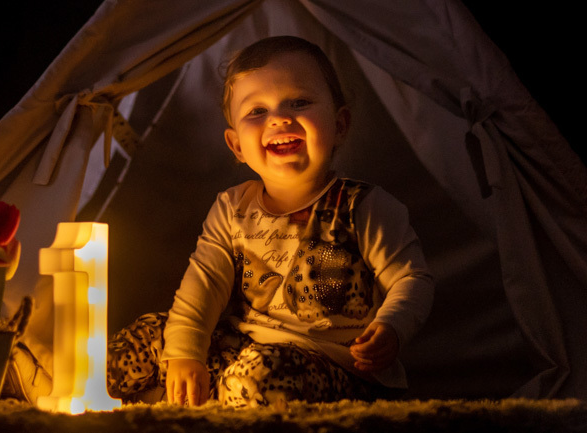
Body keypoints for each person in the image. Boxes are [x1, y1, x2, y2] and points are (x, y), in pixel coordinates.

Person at [106, 36, 434, 407]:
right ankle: (184, 393)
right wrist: (185, 352)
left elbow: (411, 279)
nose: (279, 118)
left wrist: (392, 327)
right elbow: (204, 284)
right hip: (241, 346)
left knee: (259, 373)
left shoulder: (364, 206)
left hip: (334, 368)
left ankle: (203, 397)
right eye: (257, 111)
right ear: (237, 146)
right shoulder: (232, 208)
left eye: (299, 102)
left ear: (340, 125)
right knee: (144, 339)